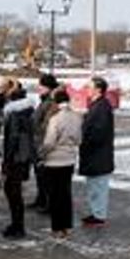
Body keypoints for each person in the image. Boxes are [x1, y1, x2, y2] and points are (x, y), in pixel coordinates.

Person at [39, 89, 81, 238]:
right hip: (69, 160)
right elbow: (78, 140)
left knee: (55, 195)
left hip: (54, 161)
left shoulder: (55, 119)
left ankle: (56, 228)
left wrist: (42, 154)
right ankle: (67, 227)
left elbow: (49, 142)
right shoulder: (77, 117)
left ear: (56, 102)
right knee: (66, 194)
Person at [0, 79, 35, 239]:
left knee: (12, 191)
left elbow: (12, 138)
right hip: (24, 156)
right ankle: (17, 224)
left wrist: (6, 160)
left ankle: (18, 226)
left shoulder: (14, 113)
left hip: (15, 157)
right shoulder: (27, 111)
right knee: (15, 191)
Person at [79, 76, 115, 228]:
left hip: (98, 154)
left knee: (99, 186)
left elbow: (99, 132)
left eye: (89, 87)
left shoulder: (101, 107)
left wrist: (85, 140)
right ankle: (96, 213)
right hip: (95, 154)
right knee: (94, 186)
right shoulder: (97, 105)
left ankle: (99, 216)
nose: (87, 89)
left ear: (98, 89)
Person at [30, 73, 60, 213]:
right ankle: (41, 199)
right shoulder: (43, 101)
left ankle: (49, 203)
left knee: (45, 176)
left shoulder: (50, 102)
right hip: (38, 142)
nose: (39, 87)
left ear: (48, 87)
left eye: (41, 85)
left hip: (43, 143)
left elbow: (47, 125)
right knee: (39, 174)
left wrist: (33, 126)